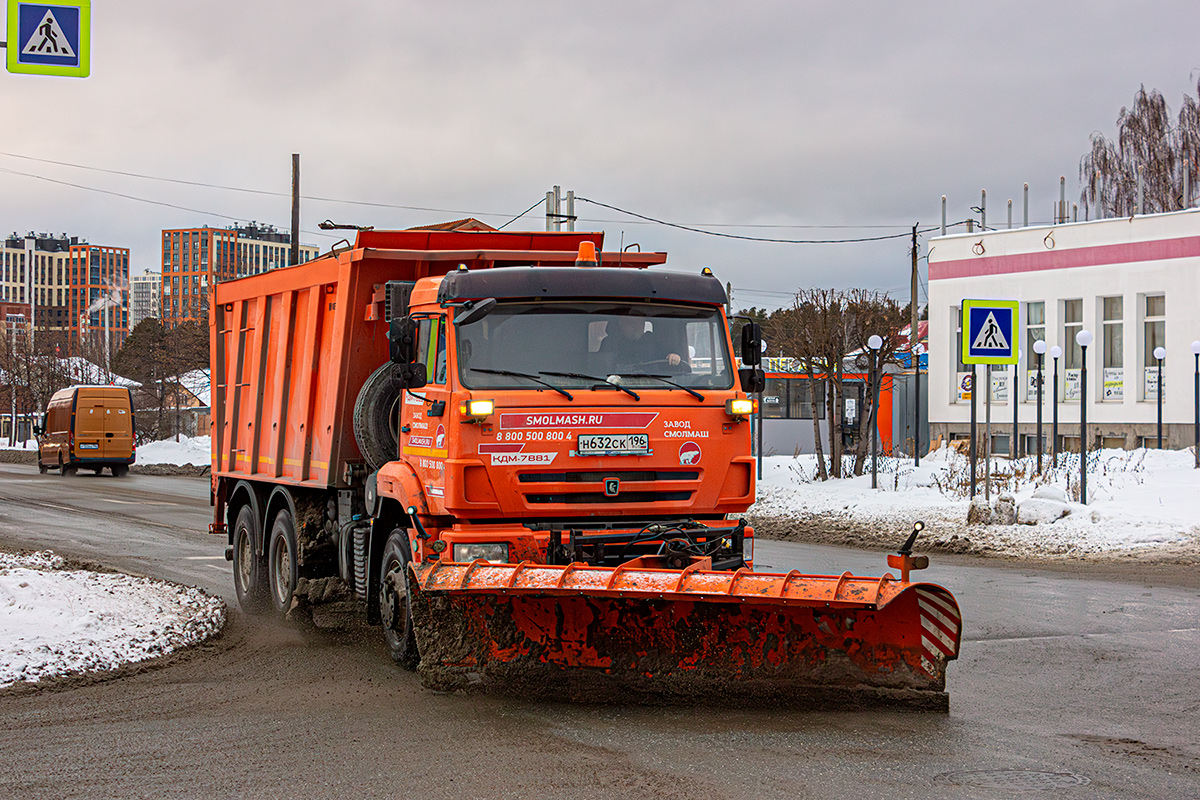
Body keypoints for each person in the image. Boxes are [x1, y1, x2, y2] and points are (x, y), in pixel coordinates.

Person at [598, 317, 682, 370]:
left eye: (639, 323)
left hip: (653, 384)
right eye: (631, 323)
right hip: (618, 384)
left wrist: (673, 356)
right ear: (621, 324)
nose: (636, 327)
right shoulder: (610, 343)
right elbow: (601, 367)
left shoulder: (652, 341)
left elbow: (665, 357)